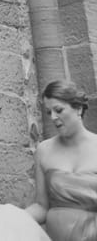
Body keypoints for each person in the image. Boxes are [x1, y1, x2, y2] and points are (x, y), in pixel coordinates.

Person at [24, 79, 97, 240]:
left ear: (78, 108)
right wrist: (13, 218)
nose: (53, 117)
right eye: (49, 112)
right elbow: (42, 207)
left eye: (58, 110)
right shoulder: (44, 150)